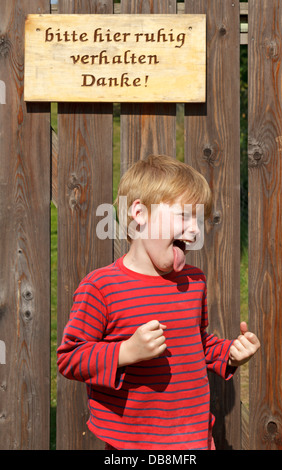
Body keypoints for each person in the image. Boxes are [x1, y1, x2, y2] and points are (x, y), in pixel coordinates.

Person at [57, 154, 260, 450]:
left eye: (199, 220)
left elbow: (196, 343)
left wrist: (230, 353)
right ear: (139, 213)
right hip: (132, 444)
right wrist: (126, 351)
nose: (195, 231)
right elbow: (70, 357)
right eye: (184, 216)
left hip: (194, 439)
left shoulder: (194, 282)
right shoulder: (101, 287)